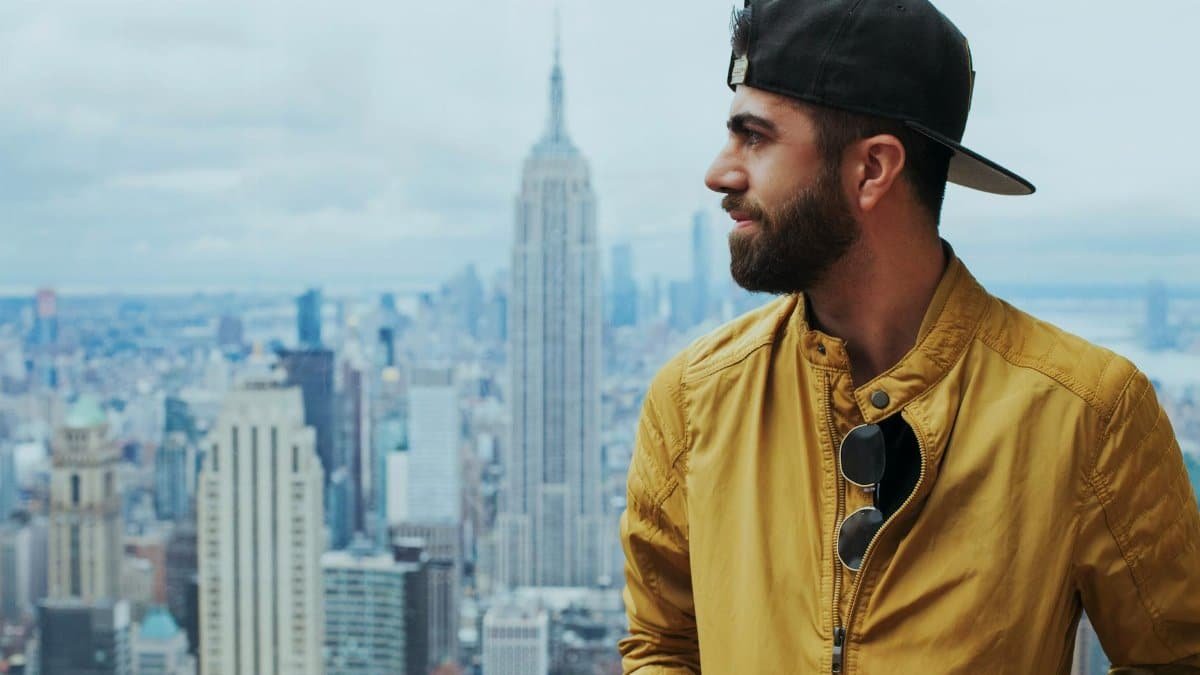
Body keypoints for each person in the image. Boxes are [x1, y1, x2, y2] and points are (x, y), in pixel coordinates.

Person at [617, 0, 1200, 673]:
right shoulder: (692, 398)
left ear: (872, 170)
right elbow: (660, 647)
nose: (720, 172)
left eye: (755, 137)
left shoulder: (1086, 413)